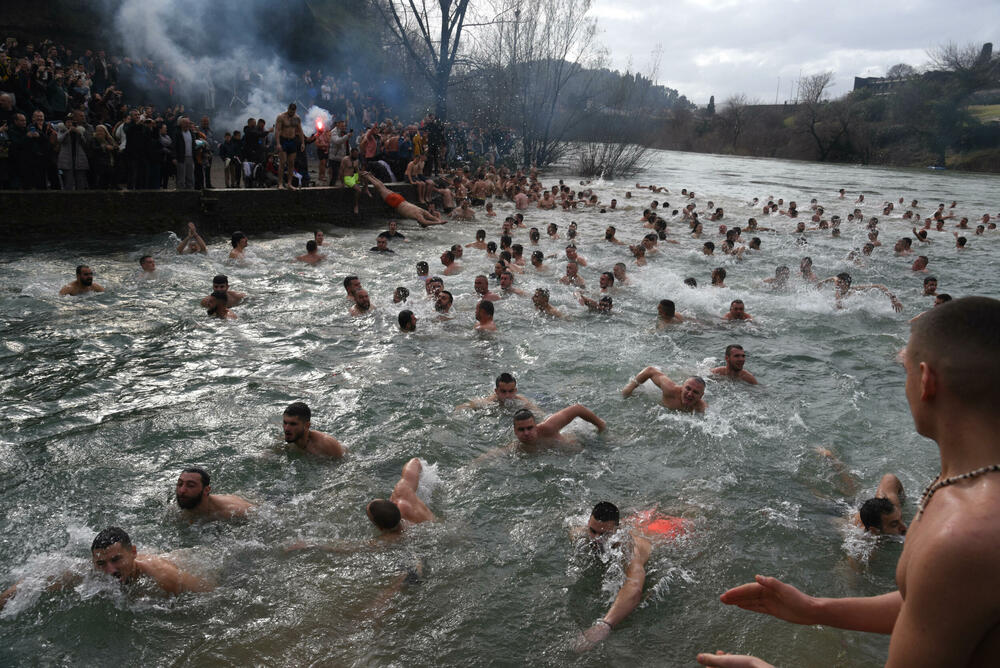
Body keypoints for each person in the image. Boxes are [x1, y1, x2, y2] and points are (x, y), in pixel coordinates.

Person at [698, 296, 1000, 668]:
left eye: (904, 371)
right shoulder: (968, 488)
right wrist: (816, 609)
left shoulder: (962, 535)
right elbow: (935, 606)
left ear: (925, 380)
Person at [0, 527, 212, 610]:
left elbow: (211, 595)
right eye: (101, 563)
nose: (109, 570)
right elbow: (29, 585)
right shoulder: (89, 571)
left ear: (133, 552)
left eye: (116, 560)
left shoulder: (165, 577)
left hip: (192, 560)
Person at [367, 458, 436, 537]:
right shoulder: (403, 495)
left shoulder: (390, 540)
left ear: (380, 528)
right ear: (395, 505)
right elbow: (415, 461)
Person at [497, 405, 606, 454]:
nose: (526, 433)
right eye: (521, 430)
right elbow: (493, 455)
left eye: (530, 428)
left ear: (536, 426)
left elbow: (577, 409)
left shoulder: (548, 428)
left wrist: (601, 426)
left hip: (589, 444)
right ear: (515, 431)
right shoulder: (517, 449)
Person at [361, 171, 444, 226]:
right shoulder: (419, 216)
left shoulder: (422, 211)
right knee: (381, 188)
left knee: (382, 187)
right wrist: (438, 223)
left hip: (400, 200)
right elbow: (425, 222)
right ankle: (368, 177)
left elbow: (430, 218)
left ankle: (371, 176)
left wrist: (438, 221)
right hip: (396, 203)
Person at [175, 467, 253, 520]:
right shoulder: (178, 509)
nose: (182, 490)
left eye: (191, 485)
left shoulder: (234, 511)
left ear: (206, 490)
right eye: (180, 484)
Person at [622, 368, 707, 413]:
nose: (690, 394)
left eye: (695, 392)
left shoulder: (700, 408)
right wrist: (629, 388)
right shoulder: (670, 389)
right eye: (688, 388)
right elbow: (650, 370)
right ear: (682, 388)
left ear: (701, 396)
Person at [282, 402, 346, 457]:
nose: (286, 428)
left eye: (293, 424)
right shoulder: (285, 441)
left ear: (307, 425)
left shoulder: (326, 445)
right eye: (285, 423)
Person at [817, 272, 903, 312]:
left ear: (847, 283)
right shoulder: (838, 290)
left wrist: (893, 299)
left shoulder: (854, 290)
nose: (838, 284)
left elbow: (879, 286)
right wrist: (822, 282)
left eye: (840, 282)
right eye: (837, 282)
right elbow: (832, 278)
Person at [456, 373, 542, 412]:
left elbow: (540, 414)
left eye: (511, 391)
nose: (507, 395)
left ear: (515, 391)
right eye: (503, 391)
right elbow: (463, 407)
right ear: (496, 391)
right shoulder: (489, 402)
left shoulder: (523, 402)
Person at [275, 103, 304, 189]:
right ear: (288, 109)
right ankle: (280, 183)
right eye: (290, 110)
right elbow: (278, 130)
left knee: (291, 163)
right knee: (282, 162)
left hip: (292, 140)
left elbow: (300, 131)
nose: (291, 112)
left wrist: (302, 143)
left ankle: (289, 183)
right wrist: (278, 143)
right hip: (283, 140)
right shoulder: (281, 117)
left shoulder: (296, 118)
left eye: (293, 111)